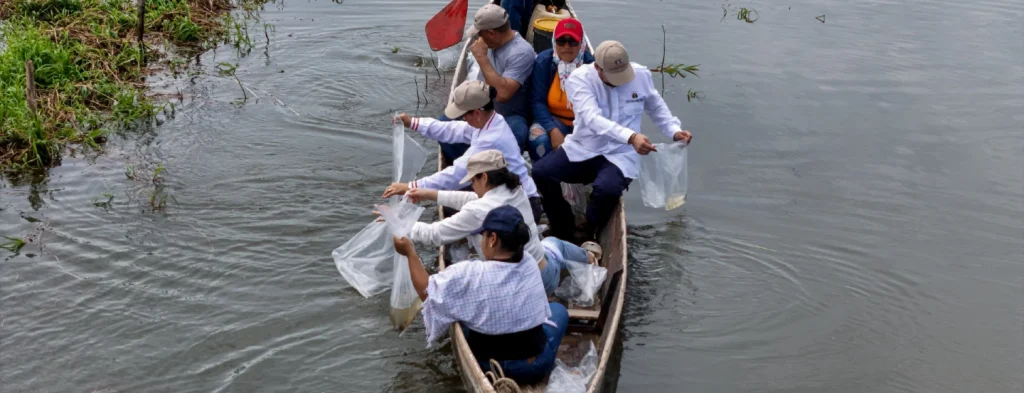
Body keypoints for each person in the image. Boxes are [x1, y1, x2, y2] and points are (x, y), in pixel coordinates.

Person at [532, 41, 694, 242]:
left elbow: (655, 106)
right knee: (542, 173)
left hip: (622, 153)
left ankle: (589, 227)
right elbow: (592, 119)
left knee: (606, 189)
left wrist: (674, 131)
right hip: (585, 149)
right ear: (598, 68)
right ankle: (562, 224)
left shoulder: (640, 74)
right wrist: (631, 136)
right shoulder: (580, 79)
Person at [392, 205, 567, 385]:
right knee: (559, 310)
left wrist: (410, 254)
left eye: (483, 235)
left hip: (487, 364)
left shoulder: (469, 273)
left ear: (492, 239)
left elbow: (427, 292)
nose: (481, 240)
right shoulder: (529, 262)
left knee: (461, 313)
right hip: (533, 366)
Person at [402, 149, 601, 294]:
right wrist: (431, 195)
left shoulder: (480, 210)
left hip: (527, 283)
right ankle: (589, 258)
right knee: (554, 244)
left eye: (473, 181)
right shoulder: (515, 189)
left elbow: (433, 235)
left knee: (552, 244)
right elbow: (473, 200)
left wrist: (399, 223)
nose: (472, 185)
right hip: (543, 274)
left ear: (485, 177)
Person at [382, 80, 542, 222]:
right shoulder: (491, 121)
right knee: (450, 199)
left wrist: (411, 186)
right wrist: (413, 122)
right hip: (509, 192)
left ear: (477, 113)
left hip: (523, 205)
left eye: (464, 115)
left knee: (452, 203)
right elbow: (451, 129)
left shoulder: (491, 139)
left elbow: (457, 173)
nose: (463, 119)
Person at [440, 4, 535, 163]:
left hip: (511, 115)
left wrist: (482, 58)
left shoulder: (521, 52)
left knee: (513, 136)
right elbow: (481, 82)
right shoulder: (491, 44)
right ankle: (467, 167)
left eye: (480, 34)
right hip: (484, 108)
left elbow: (503, 94)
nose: (477, 38)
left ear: (491, 33)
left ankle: (496, 172)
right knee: (443, 125)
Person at [528, 17, 594, 160]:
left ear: (581, 43)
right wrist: (553, 130)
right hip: (553, 119)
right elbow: (537, 101)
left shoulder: (591, 67)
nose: (566, 46)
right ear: (554, 41)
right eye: (561, 41)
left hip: (583, 123)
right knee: (538, 140)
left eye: (573, 42)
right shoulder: (543, 62)